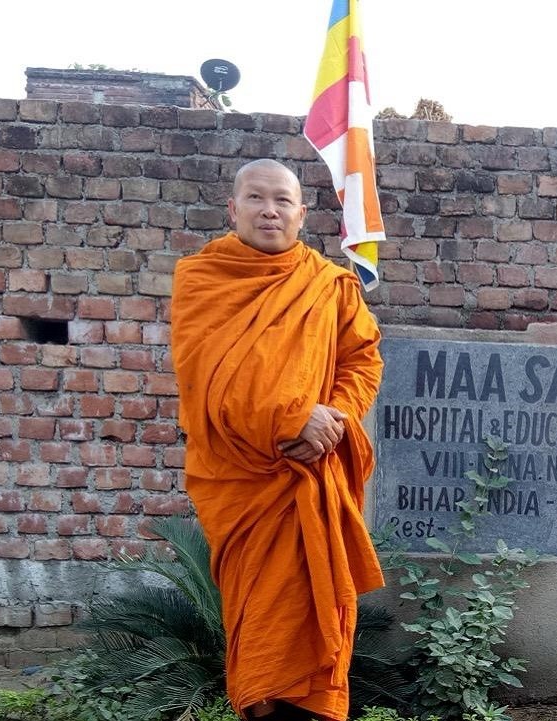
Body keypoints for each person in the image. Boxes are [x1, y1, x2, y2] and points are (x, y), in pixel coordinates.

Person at [171, 159, 384, 721]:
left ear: (302, 214)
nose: (270, 211)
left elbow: (362, 361)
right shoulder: (201, 280)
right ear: (232, 208)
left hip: (312, 473)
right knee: (262, 644)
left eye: (283, 200)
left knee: (317, 626)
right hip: (245, 483)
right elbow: (205, 387)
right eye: (256, 198)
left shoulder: (328, 285)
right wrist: (291, 420)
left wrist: (333, 419)